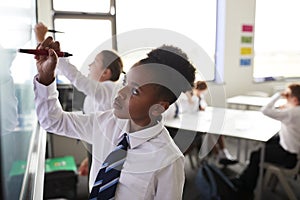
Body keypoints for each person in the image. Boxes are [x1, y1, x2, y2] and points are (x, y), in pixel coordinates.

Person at [34, 36, 196, 199]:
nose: (120, 93)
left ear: (159, 108)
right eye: (125, 82)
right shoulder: (106, 123)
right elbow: (52, 122)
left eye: (134, 91)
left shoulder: (168, 160)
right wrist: (46, 78)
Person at [34, 22, 124, 177]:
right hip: (98, 148)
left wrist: (42, 40)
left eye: (95, 62)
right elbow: (95, 131)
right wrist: (88, 158)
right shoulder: (95, 95)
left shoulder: (109, 89)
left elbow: (76, 78)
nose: (89, 65)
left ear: (106, 72)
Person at [232, 83, 300, 198]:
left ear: (294, 99)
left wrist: (278, 95)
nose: (285, 97)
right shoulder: (295, 111)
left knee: (256, 155)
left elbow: (265, 110)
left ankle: (247, 190)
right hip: (294, 151)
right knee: (268, 142)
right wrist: (287, 105)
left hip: (288, 156)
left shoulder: (291, 113)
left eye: (287, 95)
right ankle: (246, 177)